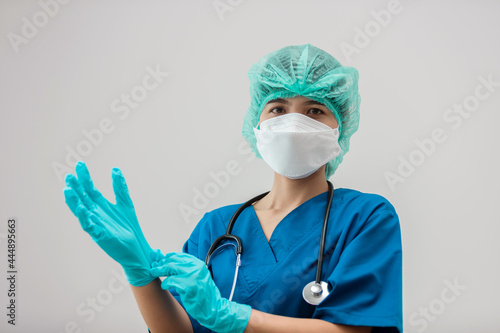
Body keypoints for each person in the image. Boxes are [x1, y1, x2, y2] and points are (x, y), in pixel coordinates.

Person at [63, 44, 402, 333]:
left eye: (314, 110)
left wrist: (233, 317)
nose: (293, 123)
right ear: (257, 123)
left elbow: (354, 329)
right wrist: (139, 272)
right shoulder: (216, 227)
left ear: (339, 127)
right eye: (278, 109)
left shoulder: (366, 217)